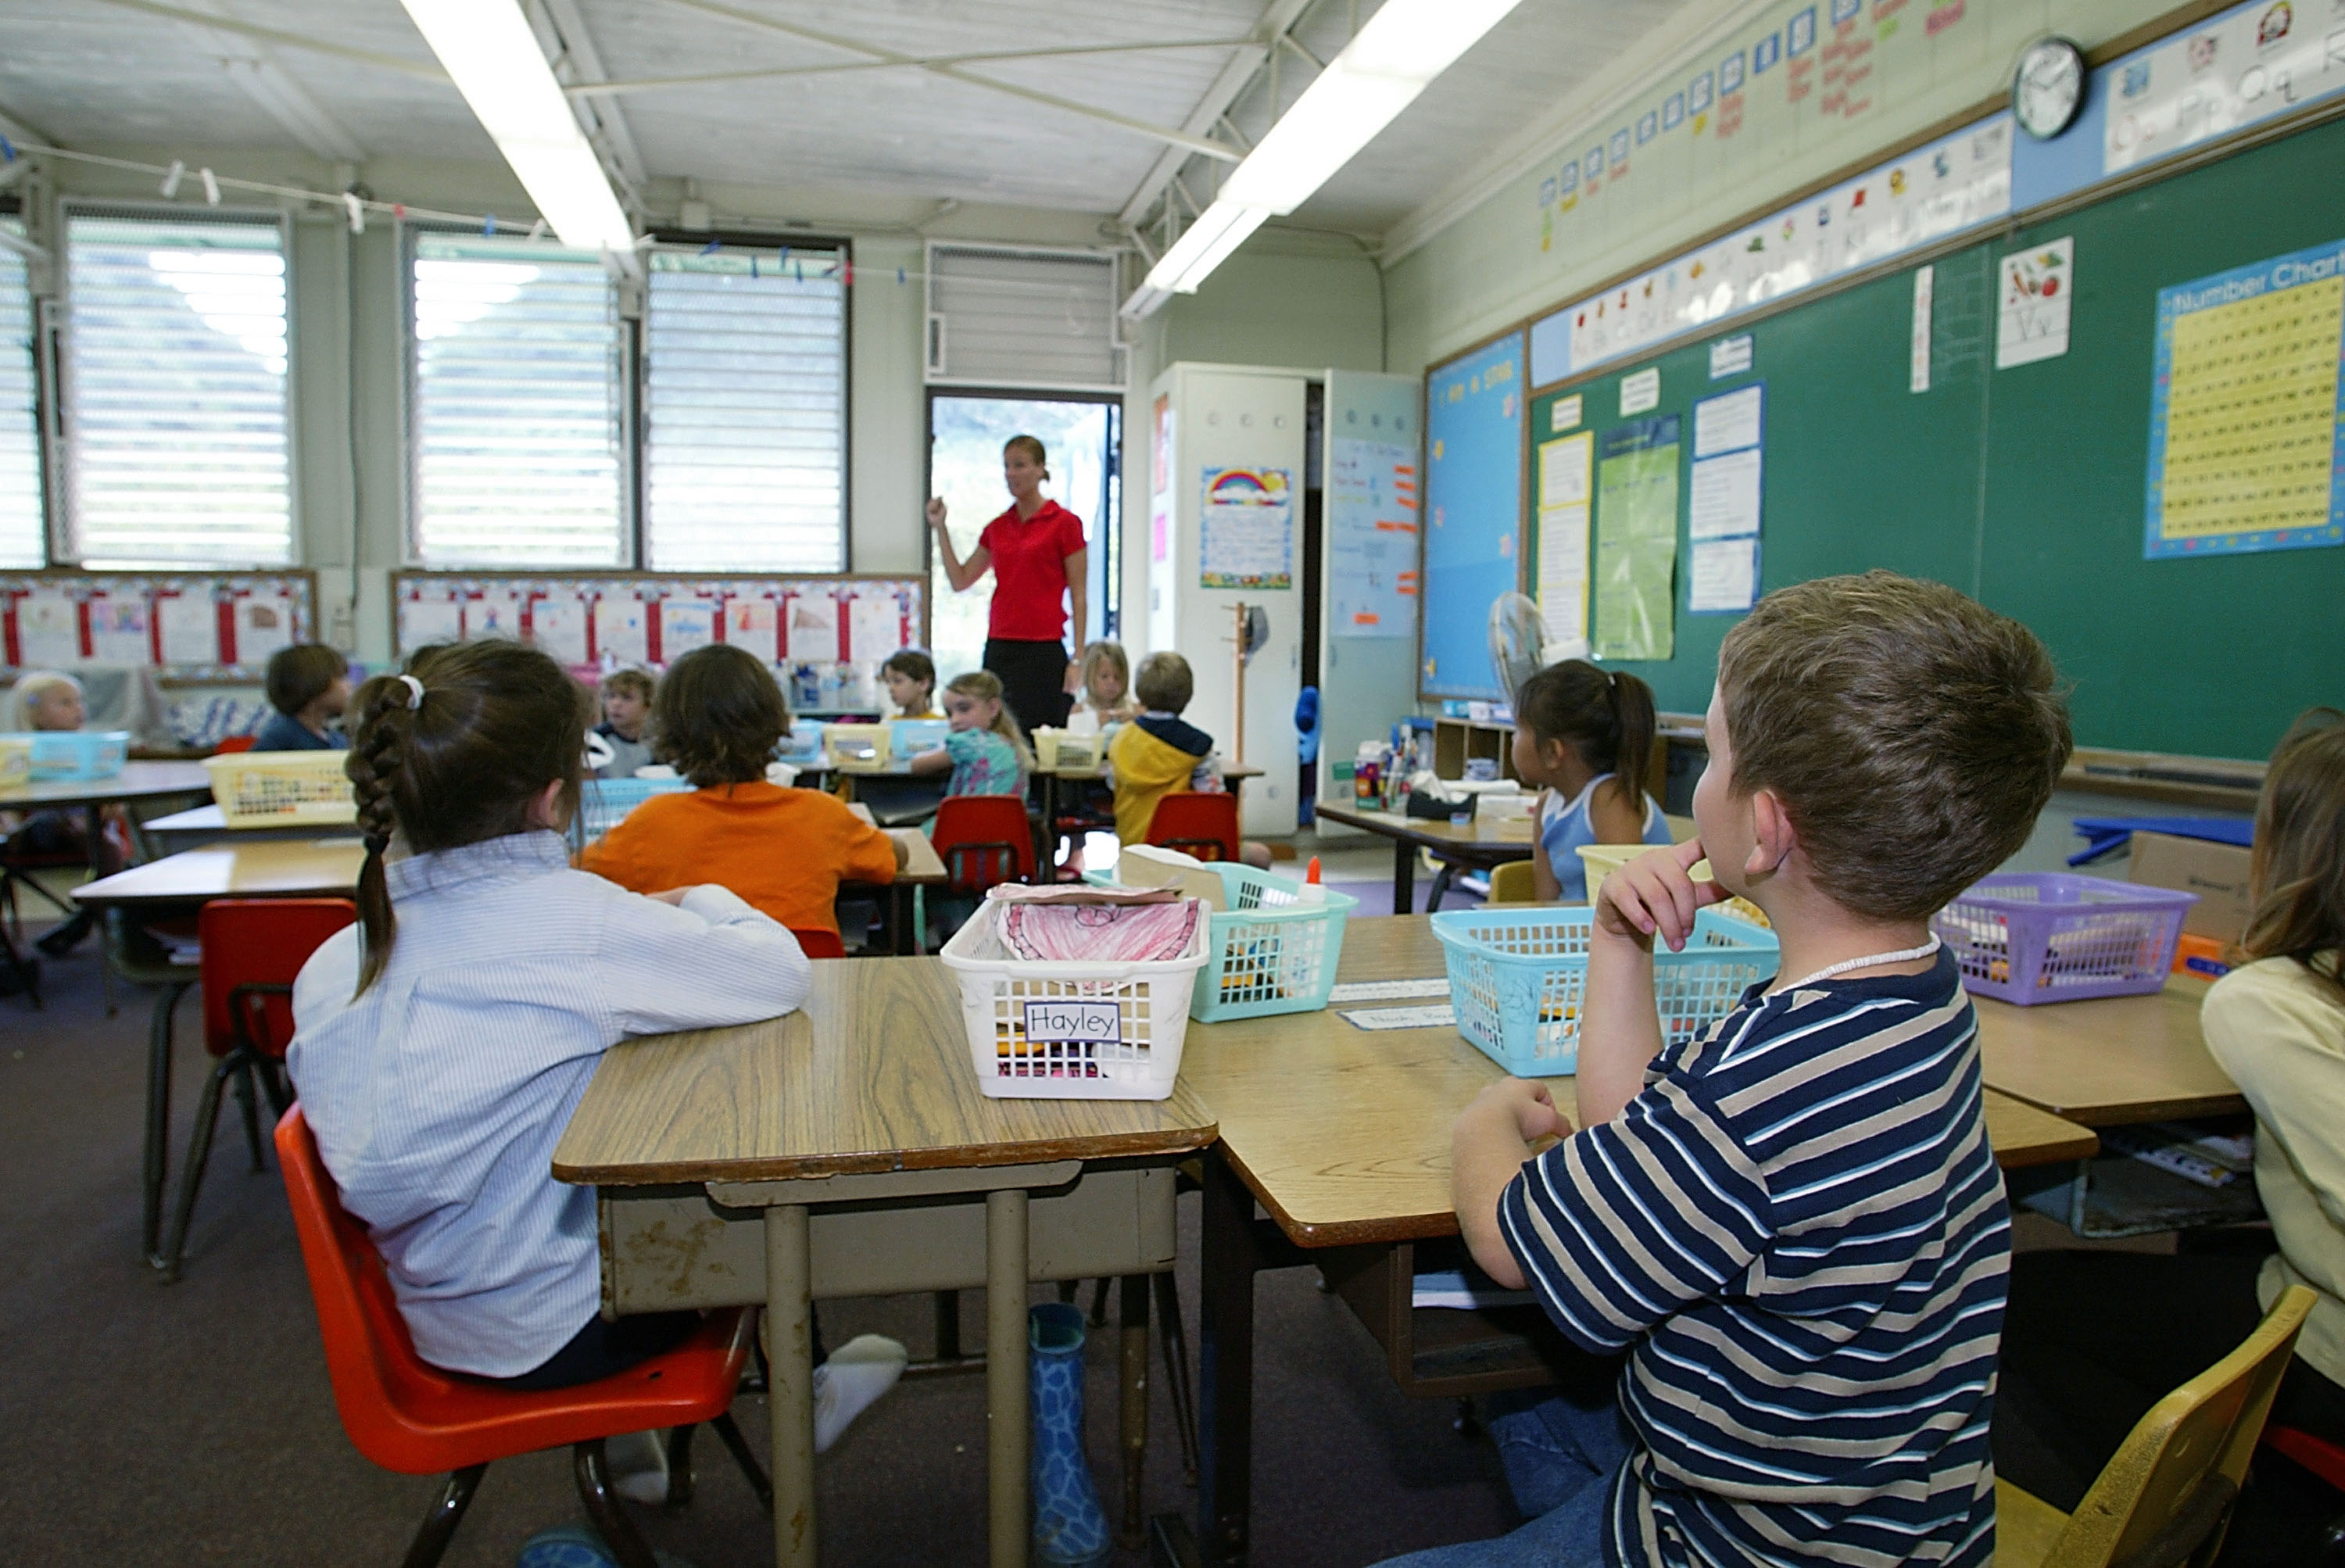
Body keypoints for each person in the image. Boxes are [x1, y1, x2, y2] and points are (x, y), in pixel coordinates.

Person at [1398, 571, 2072, 1568]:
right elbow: (1642, 1137)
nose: (1690, 784)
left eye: (1708, 756)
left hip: (1748, 1545)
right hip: (1898, 1514)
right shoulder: (1916, 994)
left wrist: (1482, 1126)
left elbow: (1507, 1241)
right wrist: (1619, 942)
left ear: (1765, 826)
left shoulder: (1762, 1087)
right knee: (1538, 1402)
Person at [286, 639, 807, 1392]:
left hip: (426, 1312)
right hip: (565, 1320)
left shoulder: (339, 955)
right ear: (551, 797)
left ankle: (634, 1450)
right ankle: (809, 1394)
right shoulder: (579, 929)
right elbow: (779, 971)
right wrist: (699, 896)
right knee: (784, 1213)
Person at [1995, 707, 2345, 1559]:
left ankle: (2138, 1526)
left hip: (2325, 1340)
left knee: (2005, 1304)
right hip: (2298, 1286)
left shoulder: (2270, 1000)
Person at [579, 644, 904, 942]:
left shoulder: (651, 823)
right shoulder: (822, 814)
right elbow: (894, 858)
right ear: (775, 721)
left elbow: (576, 871)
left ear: (669, 730)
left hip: (694, 998)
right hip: (807, 995)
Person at [927, 435, 1087, 739]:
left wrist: (1077, 659)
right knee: (998, 736)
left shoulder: (1065, 524)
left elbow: (1079, 596)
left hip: (1045, 647)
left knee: (1043, 737)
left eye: (1020, 465)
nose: (1011, 474)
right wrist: (941, 529)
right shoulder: (998, 528)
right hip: (1002, 646)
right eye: (1007, 467)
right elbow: (961, 580)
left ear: (1041, 469)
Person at [1513, 660, 1673, 903]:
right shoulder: (1547, 806)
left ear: (1552, 752)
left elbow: (1628, 906)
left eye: (1519, 729)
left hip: (1630, 935)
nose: (1514, 739)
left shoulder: (1609, 799)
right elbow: (1545, 904)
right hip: (1576, 935)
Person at [1105, 652, 1272, 869]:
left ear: (1139, 693)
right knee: (1261, 855)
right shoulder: (1198, 747)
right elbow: (1214, 803)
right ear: (1187, 696)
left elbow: (1111, 784)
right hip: (1192, 853)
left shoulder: (1120, 740)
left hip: (1135, 854)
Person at [2, 671, 122, 958]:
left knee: (103, 839)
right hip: (33, 831)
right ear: (35, 714)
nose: (77, 709)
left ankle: (90, 915)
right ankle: (99, 910)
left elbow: (116, 804)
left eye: (79, 702)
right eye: (65, 703)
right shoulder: (16, 751)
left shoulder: (92, 749)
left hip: (88, 831)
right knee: (60, 823)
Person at [906, 669, 1028, 799]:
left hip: (968, 818)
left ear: (993, 708)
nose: (955, 720)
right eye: (949, 714)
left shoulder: (969, 742)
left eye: (964, 709)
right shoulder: (1008, 743)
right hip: (1005, 819)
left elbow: (917, 765)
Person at [250, 643, 352, 752]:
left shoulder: (336, 739)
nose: (350, 684)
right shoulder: (279, 740)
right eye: (341, 678)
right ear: (315, 684)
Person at [593, 668, 655, 781]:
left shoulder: (660, 741)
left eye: (627, 698)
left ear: (647, 706)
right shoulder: (595, 741)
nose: (616, 704)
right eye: (611, 696)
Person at [1072, 640, 1139, 730]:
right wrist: (1093, 723)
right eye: (1104, 676)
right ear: (1090, 677)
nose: (1111, 682)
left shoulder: (1134, 710)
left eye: (1117, 677)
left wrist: (1136, 722)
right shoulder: (1080, 711)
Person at [881, 649, 941, 720]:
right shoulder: (891, 723)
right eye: (888, 682)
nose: (890, 688)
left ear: (923, 684)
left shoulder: (940, 724)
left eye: (897, 681)